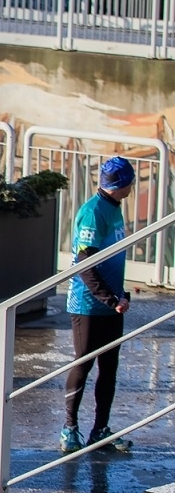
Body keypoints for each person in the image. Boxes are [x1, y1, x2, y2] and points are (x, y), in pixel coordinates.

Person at [62, 157, 136, 454]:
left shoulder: (114, 207)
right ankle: (69, 428)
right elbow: (85, 263)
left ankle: (100, 430)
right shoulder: (93, 212)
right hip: (88, 305)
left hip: (112, 304)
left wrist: (120, 295)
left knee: (109, 368)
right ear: (123, 184)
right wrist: (110, 298)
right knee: (84, 363)